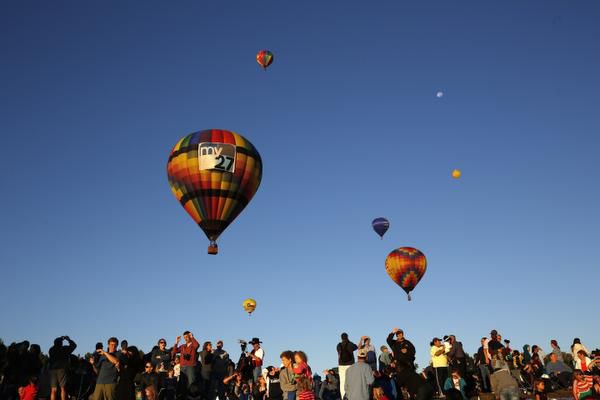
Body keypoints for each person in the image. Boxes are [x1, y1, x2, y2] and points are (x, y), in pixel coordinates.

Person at [48, 336, 77, 400]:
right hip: (62, 369)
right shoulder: (65, 349)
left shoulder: (51, 350)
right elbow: (74, 345)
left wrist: (61, 338)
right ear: (61, 343)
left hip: (52, 369)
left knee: (53, 389)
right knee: (63, 388)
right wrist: (68, 339)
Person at [337, 333, 358, 400]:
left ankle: (343, 397)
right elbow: (356, 347)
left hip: (341, 365)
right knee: (352, 381)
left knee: (342, 382)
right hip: (350, 364)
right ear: (347, 337)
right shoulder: (350, 344)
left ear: (341, 338)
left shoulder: (339, 345)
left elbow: (339, 354)